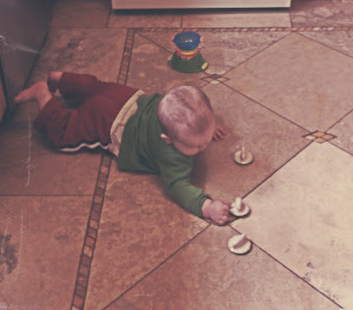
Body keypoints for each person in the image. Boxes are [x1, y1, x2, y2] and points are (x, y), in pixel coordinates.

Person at [14, 72, 231, 225]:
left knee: (94, 88)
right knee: (64, 133)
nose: (204, 146)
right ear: (167, 139)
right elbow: (177, 186)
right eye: (196, 145)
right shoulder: (171, 154)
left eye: (206, 136)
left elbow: (193, 114)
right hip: (108, 122)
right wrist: (206, 207)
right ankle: (43, 95)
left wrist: (206, 127)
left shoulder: (170, 110)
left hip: (125, 96)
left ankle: (62, 78)